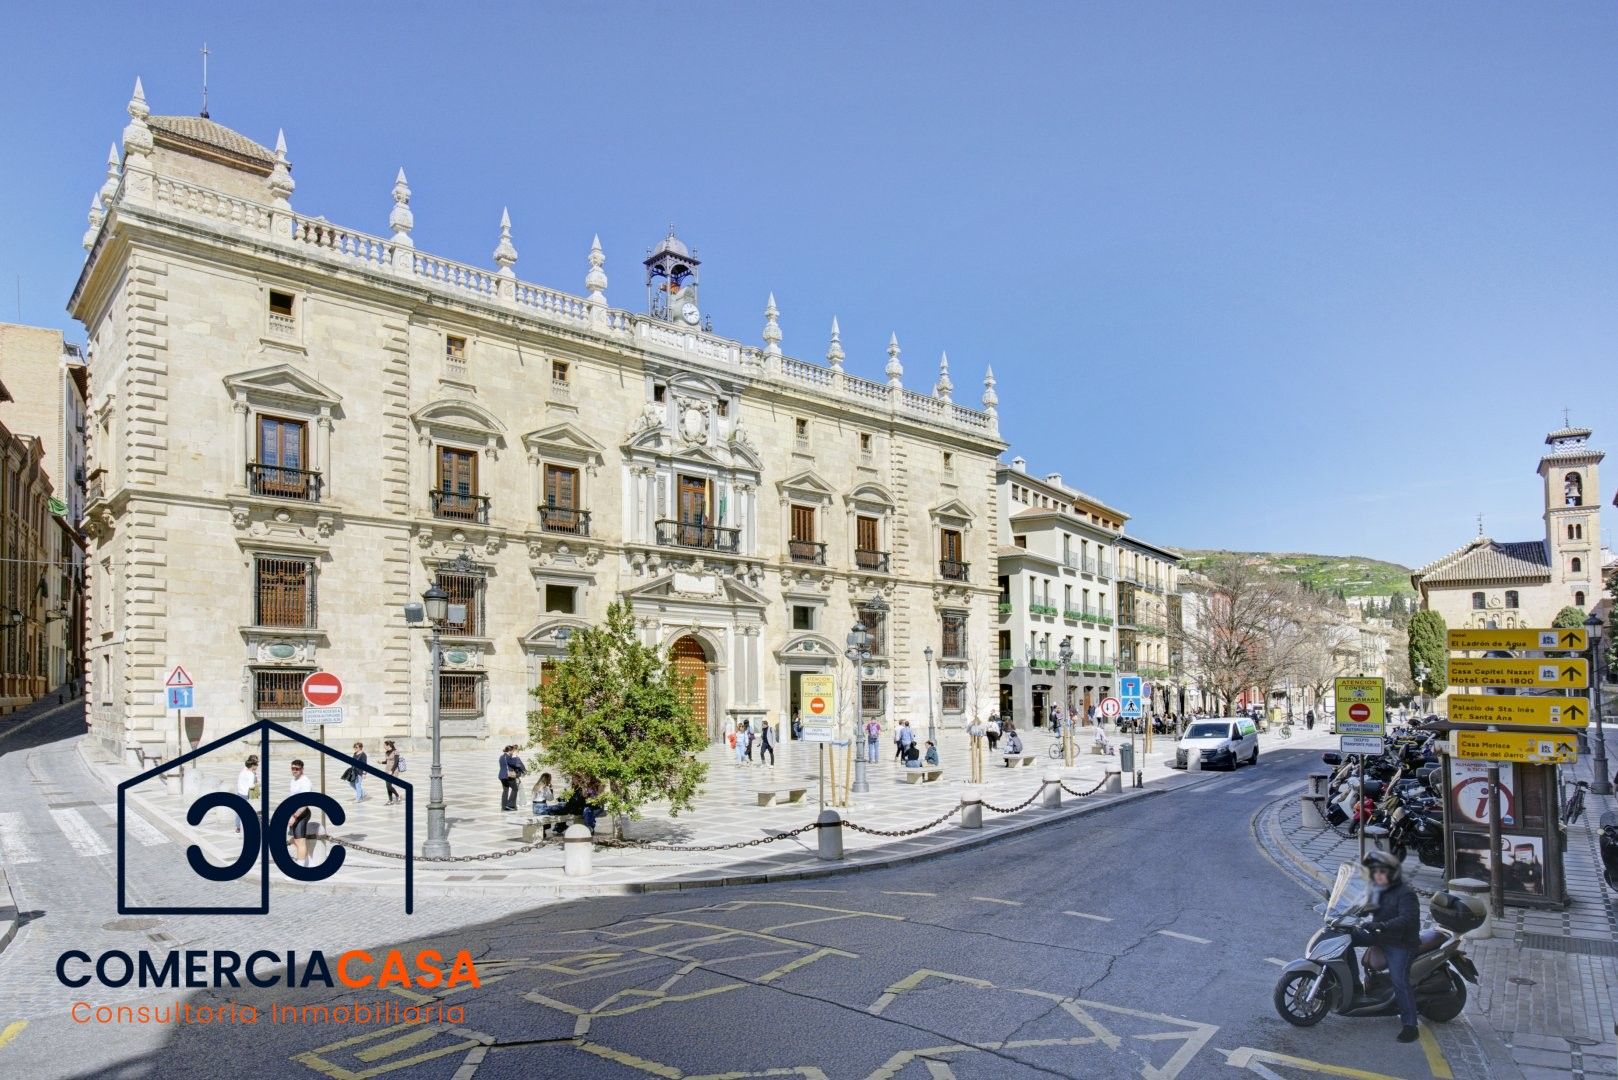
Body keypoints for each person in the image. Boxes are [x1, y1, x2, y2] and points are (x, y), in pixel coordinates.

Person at [1353, 851, 1421, 1043]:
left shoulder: (1406, 893)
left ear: (1392, 873)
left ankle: (1410, 1025)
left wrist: (1382, 925)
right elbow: (1366, 905)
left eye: (1381, 872)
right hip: (1379, 936)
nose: (1377, 876)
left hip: (1400, 942)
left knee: (1399, 980)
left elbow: (1408, 919)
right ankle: (1355, 988)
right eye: (1374, 872)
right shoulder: (1379, 889)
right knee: (1346, 938)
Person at [287, 759, 313, 866]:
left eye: (297, 769)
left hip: (301, 813)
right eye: (293, 768)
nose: (294, 771)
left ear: (302, 769)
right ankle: (308, 861)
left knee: (300, 842)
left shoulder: (305, 782)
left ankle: (300, 868)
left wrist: (295, 816)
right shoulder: (293, 780)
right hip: (293, 812)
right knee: (296, 840)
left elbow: (305, 802)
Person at [234, 754, 259, 834]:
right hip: (246, 794)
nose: (258, 766)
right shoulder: (251, 774)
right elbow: (251, 786)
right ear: (253, 764)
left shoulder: (244, 770)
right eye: (256, 764)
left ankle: (238, 828)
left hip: (240, 792)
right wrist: (258, 784)